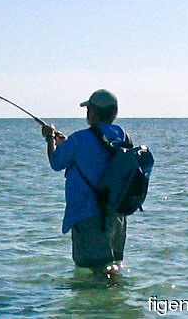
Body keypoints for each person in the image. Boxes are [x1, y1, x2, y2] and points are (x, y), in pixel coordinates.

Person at [41, 89, 133, 272]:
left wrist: (50, 138)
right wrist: (66, 143)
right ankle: (116, 301)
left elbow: (56, 162)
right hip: (117, 216)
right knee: (113, 271)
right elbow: (100, 157)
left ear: (93, 112)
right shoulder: (123, 135)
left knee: (93, 274)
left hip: (88, 217)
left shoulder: (79, 139)